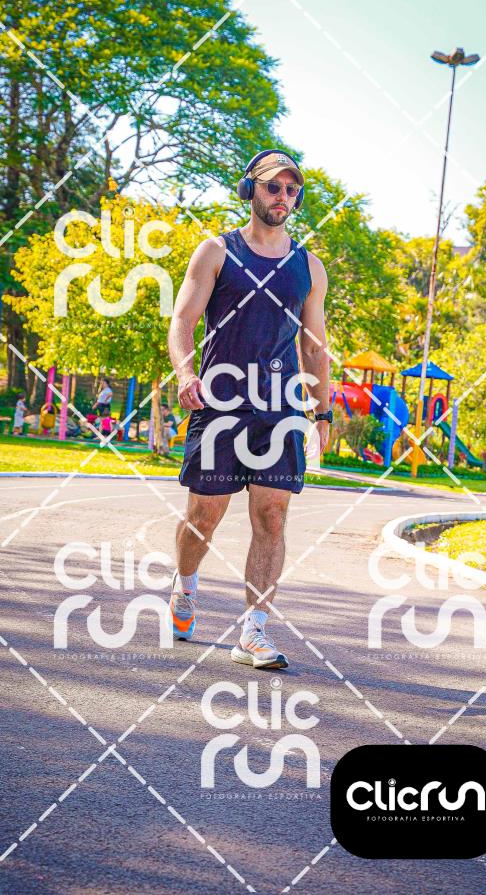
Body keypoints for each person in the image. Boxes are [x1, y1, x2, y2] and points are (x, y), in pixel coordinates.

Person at [168, 149, 331, 670]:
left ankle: (254, 632)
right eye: (272, 186)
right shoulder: (216, 252)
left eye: (291, 190)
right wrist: (186, 373)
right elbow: (183, 321)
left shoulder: (308, 267)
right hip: (219, 402)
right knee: (204, 516)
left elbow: (314, 345)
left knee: (272, 516)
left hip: (280, 408)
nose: (282, 197)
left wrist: (323, 411)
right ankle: (185, 586)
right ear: (250, 190)